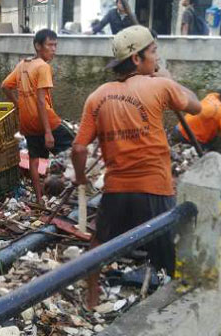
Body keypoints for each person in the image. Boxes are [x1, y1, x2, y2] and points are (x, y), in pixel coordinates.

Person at [72, 25, 201, 309]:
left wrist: (81, 178)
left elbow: (79, 148)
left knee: (98, 246)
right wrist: (172, 80)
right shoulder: (160, 85)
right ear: (136, 59)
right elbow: (197, 107)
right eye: (153, 52)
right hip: (155, 188)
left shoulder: (97, 96)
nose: (156, 59)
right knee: (169, 251)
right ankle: (178, 306)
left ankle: (92, 297)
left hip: (116, 189)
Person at [1, 29, 74, 204]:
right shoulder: (43, 67)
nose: (54, 49)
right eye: (50, 45)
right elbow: (41, 101)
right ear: (38, 46)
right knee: (77, 147)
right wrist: (48, 132)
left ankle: (39, 198)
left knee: (34, 158)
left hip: (27, 122)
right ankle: (73, 192)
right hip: (46, 120)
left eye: (55, 45)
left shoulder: (22, 64)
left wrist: (19, 105)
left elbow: (4, 86)